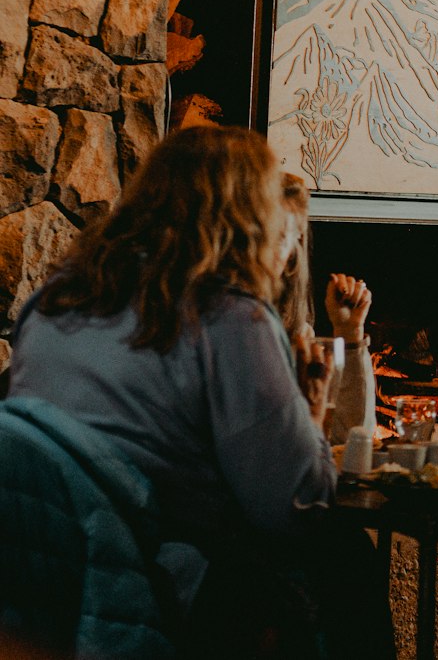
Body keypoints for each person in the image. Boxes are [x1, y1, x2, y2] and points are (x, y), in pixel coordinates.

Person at [8, 125, 396, 660]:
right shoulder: (230, 316)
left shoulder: (55, 301)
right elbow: (294, 510)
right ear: (244, 212)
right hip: (154, 567)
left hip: (41, 564)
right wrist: (312, 410)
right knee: (346, 555)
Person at [276, 172, 377, 445]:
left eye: (288, 239)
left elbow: (353, 439)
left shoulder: (297, 334)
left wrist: (349, 334)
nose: (284, 254)